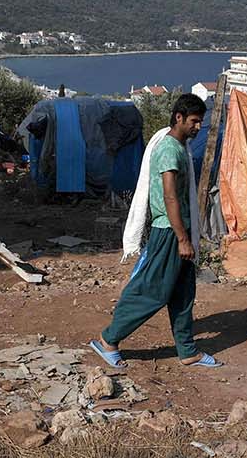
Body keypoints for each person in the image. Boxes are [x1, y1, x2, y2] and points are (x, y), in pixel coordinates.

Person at [91, 93, 223, 369]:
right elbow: (170, 197)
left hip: (179, 229)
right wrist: (183, 239)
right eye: (195, 122)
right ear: (179, 118)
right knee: (152, 290)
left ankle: (187, 350)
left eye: (201, 122)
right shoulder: (169, 149)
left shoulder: (179, 146)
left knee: (183, 293)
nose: (199, 128)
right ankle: (108, 339)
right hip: (169, 232)